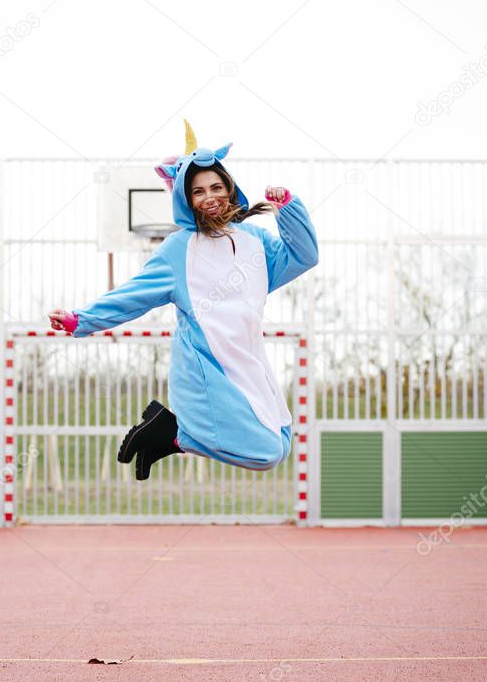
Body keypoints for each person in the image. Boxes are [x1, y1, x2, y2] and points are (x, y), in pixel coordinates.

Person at [49, 121, 319, 481]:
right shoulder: (179, 250)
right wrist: (80, 319)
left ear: (230, 189)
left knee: (281, 441)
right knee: (265, 453)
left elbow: (304, 256)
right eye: (197, 191)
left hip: (250, 362)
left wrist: (289, 207)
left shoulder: (255, 240)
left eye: (216, 187)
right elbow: (134, 295)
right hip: (206, 366)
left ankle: (168, 434)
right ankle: (174, 435)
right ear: (186, 199)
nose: (209, 196)